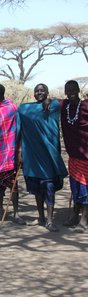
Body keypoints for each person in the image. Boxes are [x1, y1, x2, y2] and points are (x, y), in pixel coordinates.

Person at [17, 83, 68, 232]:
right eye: (37, 91)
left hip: (49, 155)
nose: (39, 93)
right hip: (32, 155)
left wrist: (51, 100)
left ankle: (50, 220)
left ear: (47, 93)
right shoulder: (25, 109)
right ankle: (40, 217)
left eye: (42, 91)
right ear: (33, 94)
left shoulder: (54, 106)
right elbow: (19, 131)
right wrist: (19, 151)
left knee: (49, 187)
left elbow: (68, 100)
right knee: (37, 188)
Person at [0, 83, 25, 224]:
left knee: (13, 185)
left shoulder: (11, 108)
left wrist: (19, 150)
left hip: (8, 152)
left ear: (0, 93)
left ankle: (16, 213)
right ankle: (0, 211)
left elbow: (18, 129)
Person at [61, 80, 88, 233]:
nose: (70, 92)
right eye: (68, 90)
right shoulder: (65, 106)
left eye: (73, 89)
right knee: (75, 186)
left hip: (85, 155)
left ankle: (84, 220)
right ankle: (74, 215)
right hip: (73, 155)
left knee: (85, 187)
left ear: (78, 90)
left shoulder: (85, 106)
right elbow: (50, 103)